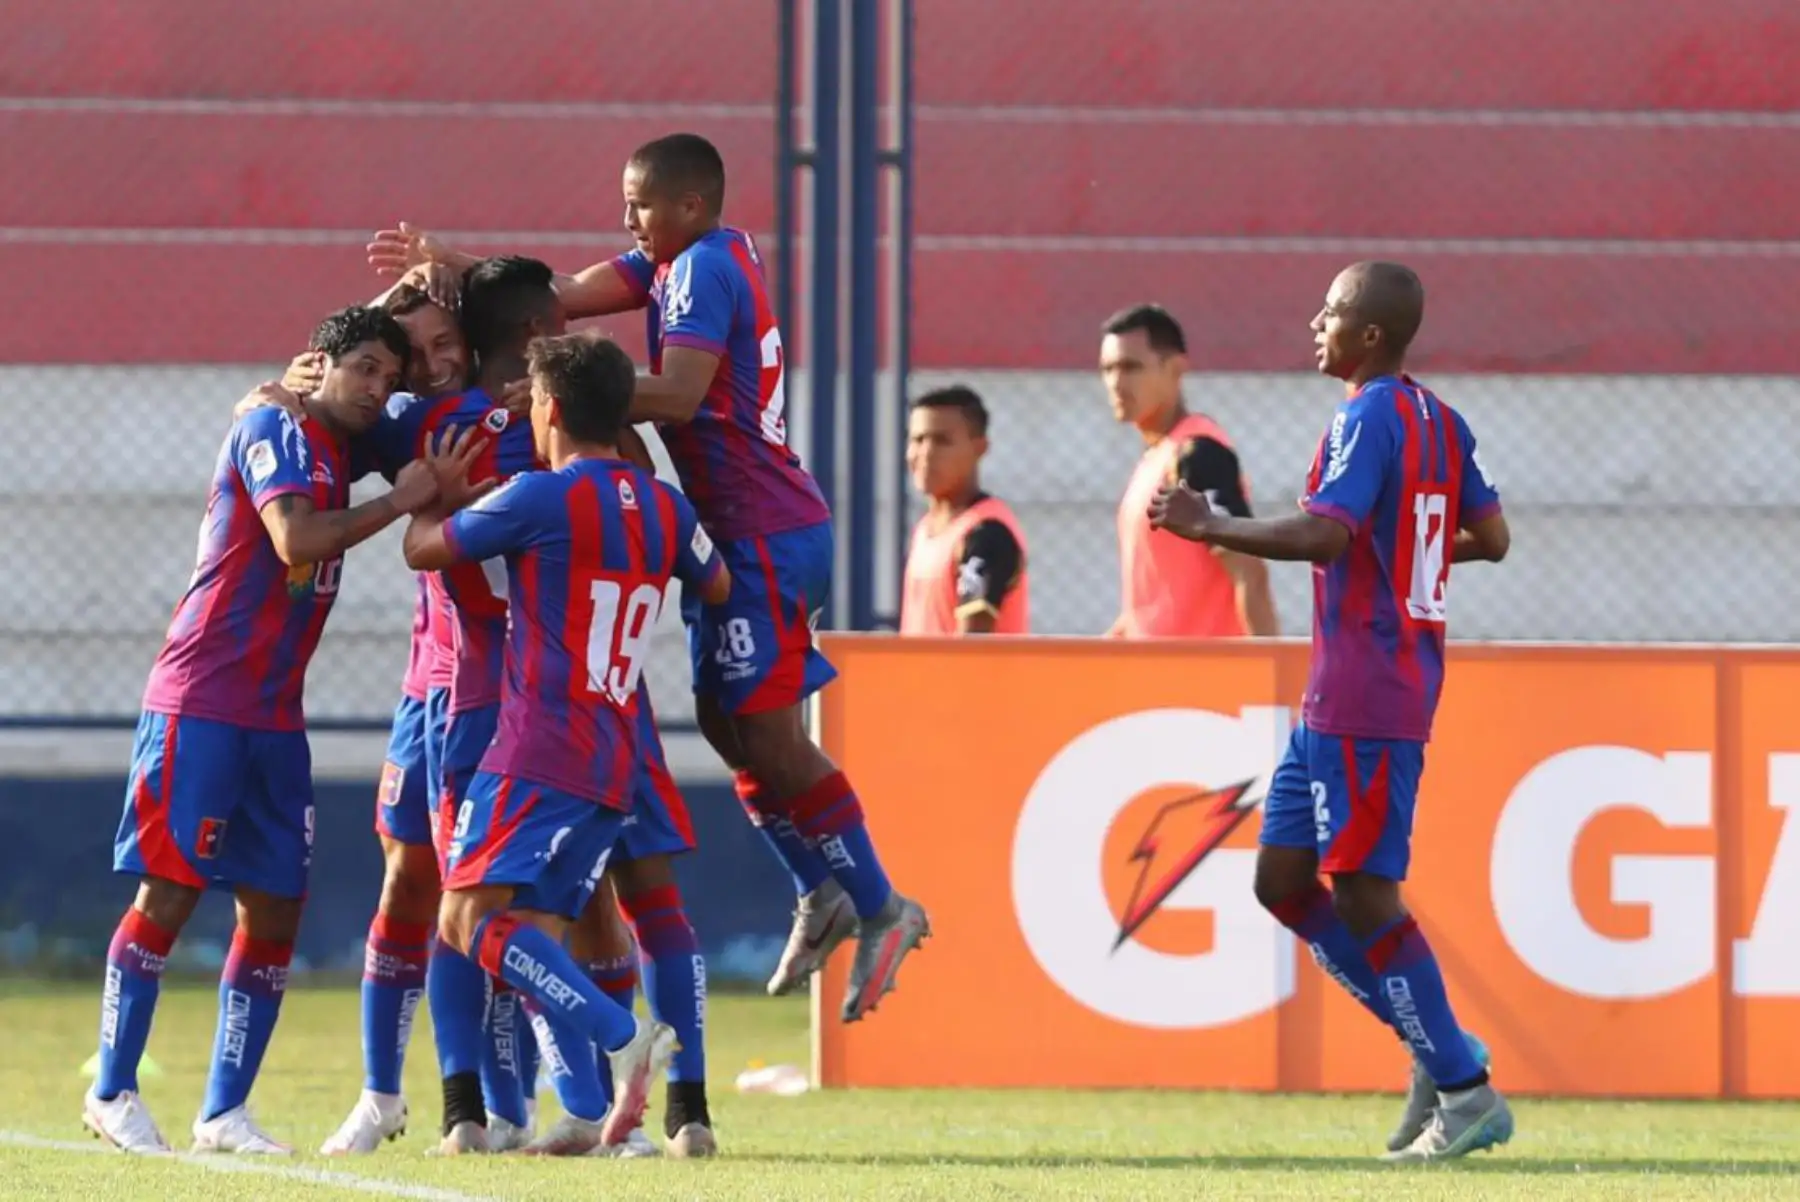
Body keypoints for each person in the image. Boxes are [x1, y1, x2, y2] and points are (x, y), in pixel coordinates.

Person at [368, 131, 930, 1022]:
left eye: (639, 203)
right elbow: (553, 298)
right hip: (735, 529)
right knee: (724, 721)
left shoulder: (701, 268)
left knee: (769, 733)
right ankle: (819, 886)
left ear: (690, 205)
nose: (626, 218)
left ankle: (879, 904)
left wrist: (564, 391)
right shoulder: (677, 259)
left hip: (765, 527)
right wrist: (455, 263)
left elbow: (679, 392)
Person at [1147, 261, 1513, 1162]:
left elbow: (1323, 532)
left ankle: (1465, 1091)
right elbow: (1492, 537)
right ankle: (1440, 1047)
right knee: (1282, 882)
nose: (1317, 322)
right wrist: (1400, 552)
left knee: (1361, 889)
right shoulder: (1442, 420)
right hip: (1338, 695)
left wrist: (1209, 524)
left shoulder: (1367, 414)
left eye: (1332, 312)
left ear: (1371, 335)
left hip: (1369, 688)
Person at [83, 307, 453, 1155]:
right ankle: (111, 1091)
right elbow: (295, 537)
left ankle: (223, 1113)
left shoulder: (343, 442)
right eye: (364, 368)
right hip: (202, 700)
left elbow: (389, 362)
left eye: (389, 376)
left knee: (277, 905)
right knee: (170, 894)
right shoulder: (272, 426)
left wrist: (425, 280)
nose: (378, 388)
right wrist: (398, 501)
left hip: (275, 716)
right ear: (319, 363)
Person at [403, 331, 732, 1156]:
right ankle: (594, 1112)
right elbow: (717, 579)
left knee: (465, 920)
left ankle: (624, 1038)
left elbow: (423, 550)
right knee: (537, 929)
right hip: (619, 748)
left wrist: (434, 496)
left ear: (546, 408)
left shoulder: (538, 497)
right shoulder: (665, 506)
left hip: (539, 746)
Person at [1100, 304, 1278, 639]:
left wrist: (1272, 666)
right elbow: (1145, 611)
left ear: (1176, 368)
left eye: (1130, 367)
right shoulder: (1154, 460)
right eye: (1107, 369)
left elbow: (1249, 573)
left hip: (1203, 670)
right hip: (1158, 669)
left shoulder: (1198, 454)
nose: (1116, 382)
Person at [899, 385, 1029, 635]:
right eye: (917, 439)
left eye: (942, 441)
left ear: (979, 448)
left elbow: (972, 645)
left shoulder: (986, 533)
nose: (926, 453)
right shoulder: (926, 528)